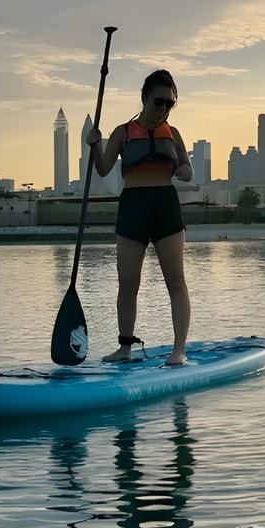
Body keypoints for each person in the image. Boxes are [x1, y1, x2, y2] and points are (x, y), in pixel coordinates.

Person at [85, 70, 192, 365]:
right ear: (144, 98)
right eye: (159, 101)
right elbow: (103, 168)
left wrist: (184, 171)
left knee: (176, 282)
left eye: (170, 103)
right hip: (133, 206)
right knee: (128, 284)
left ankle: (178, 350)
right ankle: (125, 348)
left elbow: (186, 167)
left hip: (165, 205)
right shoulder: (123, 132)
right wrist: (94, 145)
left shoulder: (173, 133)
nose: (164, 108)